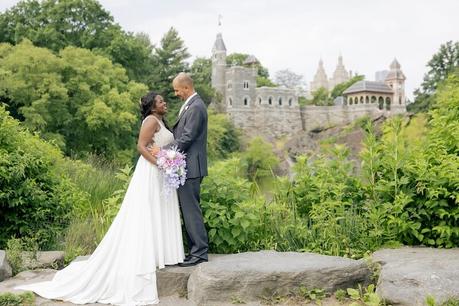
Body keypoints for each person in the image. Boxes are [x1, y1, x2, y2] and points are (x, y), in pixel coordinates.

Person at [15, 91, 184, 305]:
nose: (164, 102)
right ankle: (146, 256)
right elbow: (141, 147)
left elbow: (161, 146)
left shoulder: (160, 120)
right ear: (152, 106)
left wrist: (168, 160)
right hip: (151, 172)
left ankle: (162, 254)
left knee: (159, 210)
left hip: (161, 173)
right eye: (160, 101)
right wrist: (159, 163)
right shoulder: (151, 120)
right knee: (147, 212)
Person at [151, 72, 209, 267]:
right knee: (189, 210)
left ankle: (199, 253)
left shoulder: (196, 107)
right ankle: (195, 251)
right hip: (187, 166)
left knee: (191, 210)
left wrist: (163, 151)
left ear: (186, 87)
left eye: (177, 90)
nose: (176, 94)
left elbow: (187, 138)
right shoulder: (192, 106)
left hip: (191, 167)